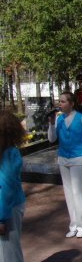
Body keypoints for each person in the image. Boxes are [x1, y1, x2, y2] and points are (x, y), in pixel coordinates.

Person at [48, 91, 82, 238]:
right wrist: (51, 124)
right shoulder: (59, 119)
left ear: (71, 103)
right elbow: (52, 139)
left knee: (77, 192)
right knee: (68, 193)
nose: (59, 104)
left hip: (78, 159)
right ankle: (73, 224)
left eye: (62, 101)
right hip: (63, 159)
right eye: (59, 101)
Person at [0, 111, 26, 262]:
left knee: (9, 252)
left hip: (9, 208)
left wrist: (2, 218)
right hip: (7, 206)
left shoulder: (10, 154)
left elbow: (6, 188)